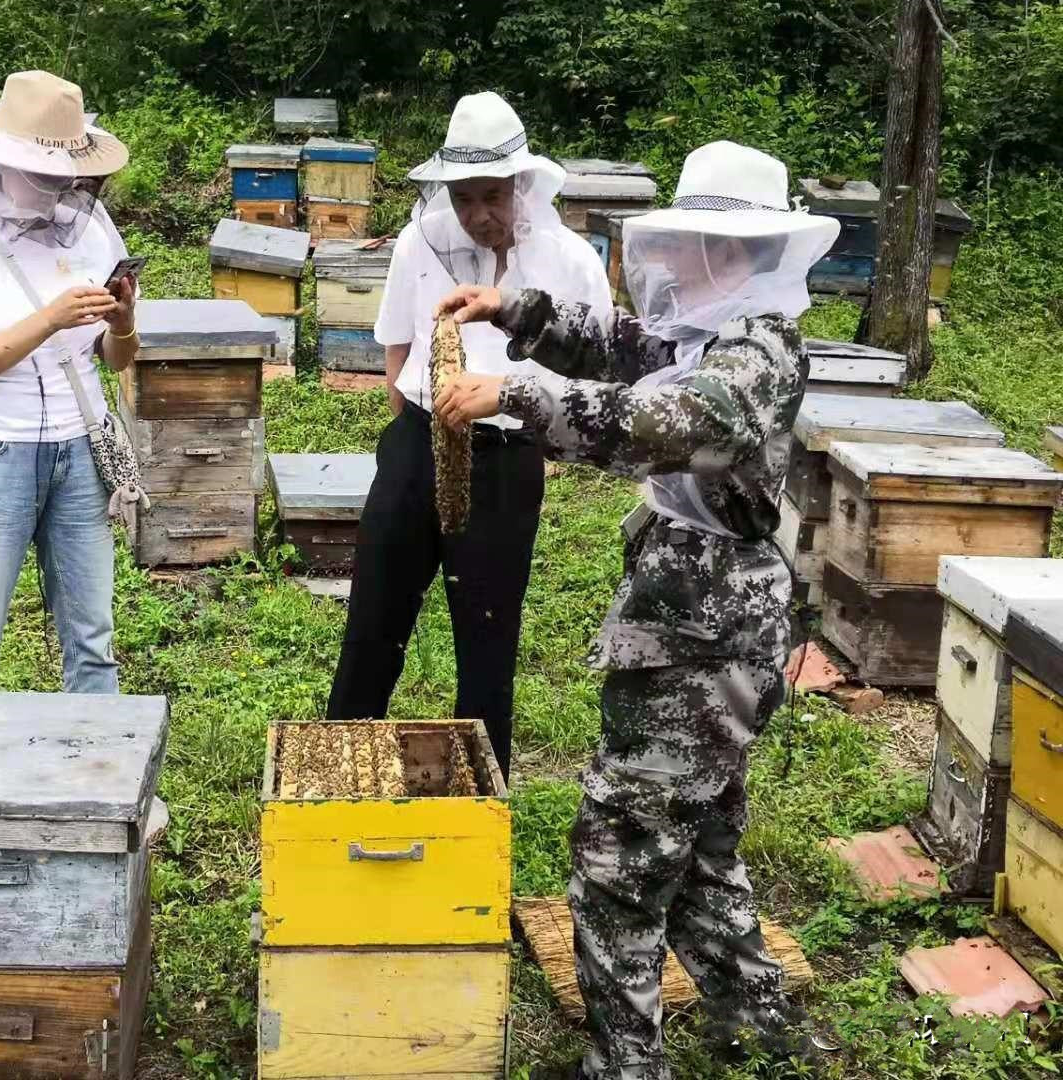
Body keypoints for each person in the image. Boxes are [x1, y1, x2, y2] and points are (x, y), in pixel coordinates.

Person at [434, 141, 841, 1078]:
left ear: (734, 251)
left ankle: (625, 1068)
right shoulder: (712, 326)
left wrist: (517, 394)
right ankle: (768, 1033)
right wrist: (518, 310)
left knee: (618, 859)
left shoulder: (756, 355)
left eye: (697, 242)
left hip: (708, 635)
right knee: (697, 847)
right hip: (692, 616)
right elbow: (631, 349)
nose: (678, 262)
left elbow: (664, 421)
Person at [326, 91, 611, 780]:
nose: (478, 214)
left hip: (507, 460)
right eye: (463, 198)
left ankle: (479, 808)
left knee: (486, 639)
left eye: (491, 195)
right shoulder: (417, 243)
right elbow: (397, 350)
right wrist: (420, 437)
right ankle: (333, 783)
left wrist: (528, 438)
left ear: (521, 185)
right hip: (417, 444)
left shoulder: (569, 261)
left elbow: (597, 370)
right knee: (372, 620)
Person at [0, 70, 138, 693]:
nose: (53, 186)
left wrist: (123, 321)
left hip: (82, 448)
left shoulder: (93, 230)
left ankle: (99, 783)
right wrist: (49, 318)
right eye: (38, 170)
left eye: (61, 173)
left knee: (94, 643)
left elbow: (117, 358)